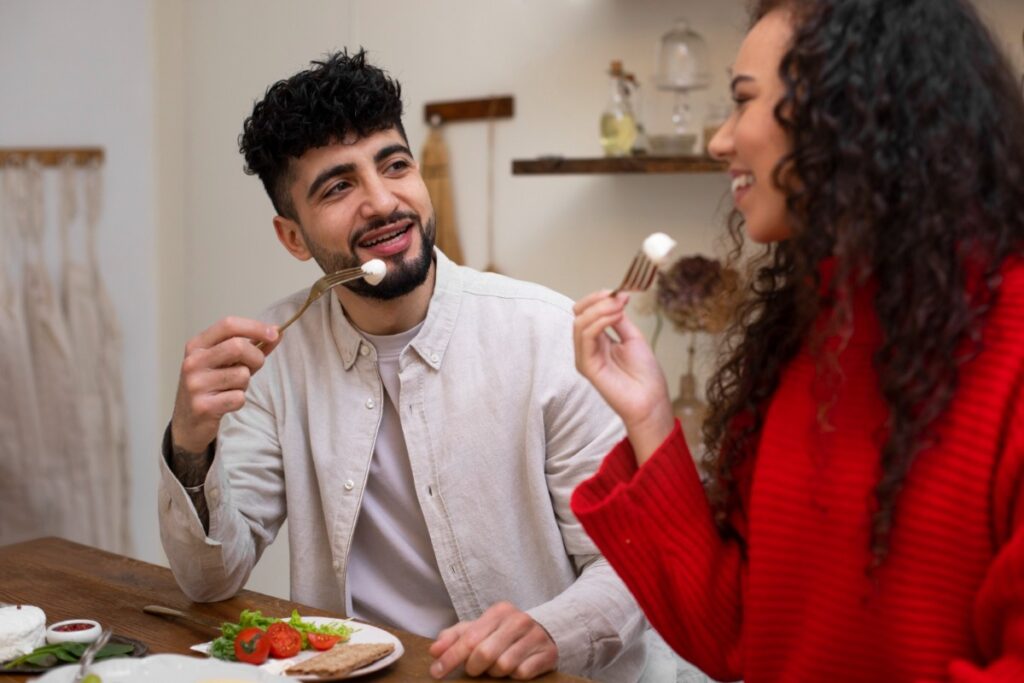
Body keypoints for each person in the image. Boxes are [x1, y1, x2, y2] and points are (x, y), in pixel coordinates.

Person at [158, 49, 650, 681]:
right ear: (291, 236)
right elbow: (209, 578)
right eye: (338, 186)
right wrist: (191, 443)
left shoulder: (551, 337)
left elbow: (632, 567)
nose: (382, 201)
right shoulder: (274, 359)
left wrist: (550, 631)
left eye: (394, 166)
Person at [570, 1, 1024, 682]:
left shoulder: (1009, 347)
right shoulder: (805, 343)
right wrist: (649, 418)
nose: (720, 141)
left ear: (850, 109)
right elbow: (737, 638)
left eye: (743, 101)